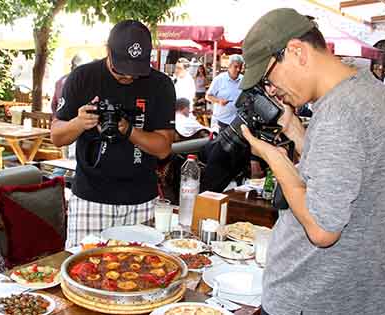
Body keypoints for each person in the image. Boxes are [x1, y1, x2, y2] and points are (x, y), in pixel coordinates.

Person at [237, 9, 385, 315]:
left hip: (316, 298)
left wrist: (276, 160)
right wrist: (297, 133)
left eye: (268, 76)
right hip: (352, 294)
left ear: (297, 51)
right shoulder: (371, 89)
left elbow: (323, 229)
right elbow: (341, 175)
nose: (271, 90)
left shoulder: (340, 112)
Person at [51, 20, 175, 248]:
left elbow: (163, 148)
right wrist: (79, 123)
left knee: (142, 275)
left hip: (142, 201)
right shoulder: (82, 77)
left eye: (136, 71)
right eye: (121, 69)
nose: (128, 76)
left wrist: (128, 130)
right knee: (82, 271)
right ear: (107, 50)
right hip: (90, 199)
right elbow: (56, 136)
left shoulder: (160, 84)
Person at [205, 54, 243, 131]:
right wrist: (219, 101)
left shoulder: (243, 80)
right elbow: (208, 96)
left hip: (237, 122)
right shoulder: (219, 79)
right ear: (229, 66)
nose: (238, 69)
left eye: (240, 67)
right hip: (221, 121)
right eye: (235, 67)